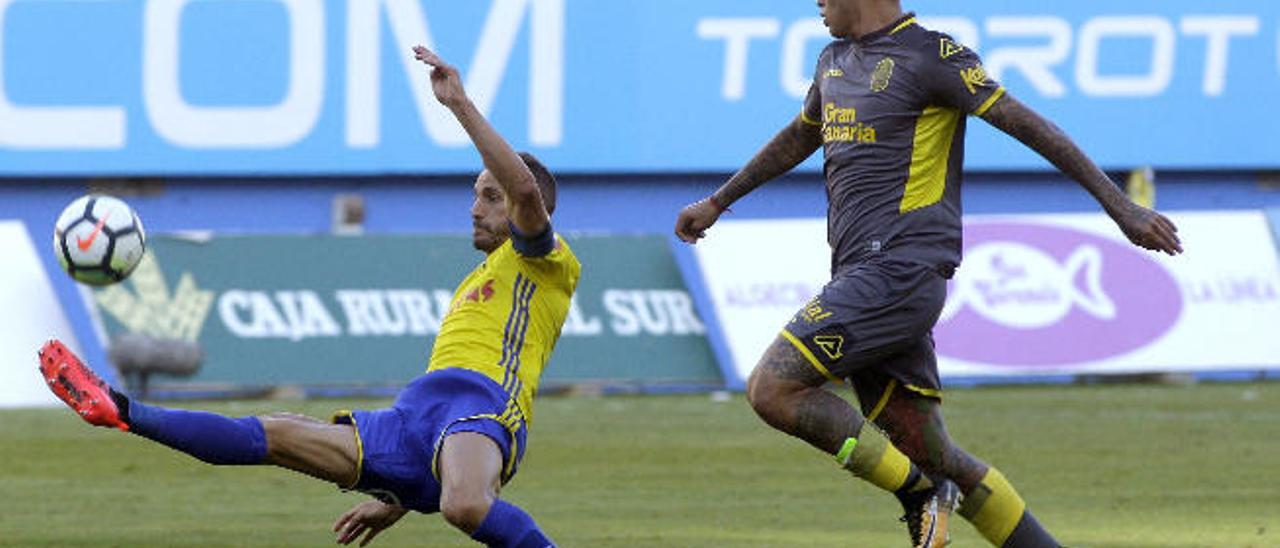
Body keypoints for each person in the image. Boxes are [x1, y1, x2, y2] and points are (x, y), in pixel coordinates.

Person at [674, 1, 1182, 547]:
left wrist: (1121, 207)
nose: (816, 2)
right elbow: (800, 136)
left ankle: (920, 496)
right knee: (935, 455)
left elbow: (1032, 127)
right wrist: (720, 201)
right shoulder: (832, 60)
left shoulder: (933, 56)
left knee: (772, 388)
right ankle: (959, 500)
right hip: (863, 274)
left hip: (900, 271)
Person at [39, 45, 578, 548]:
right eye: (474, 195)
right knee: (271, 436)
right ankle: (123, 411)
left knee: (465, 505)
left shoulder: (546, 262)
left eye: (489, 196)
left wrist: (459, 104)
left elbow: (526, 190)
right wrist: (404, 495)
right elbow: (440, 450)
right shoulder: (478, 280)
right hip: (417, 418)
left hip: (480, 407)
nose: (474, 208)